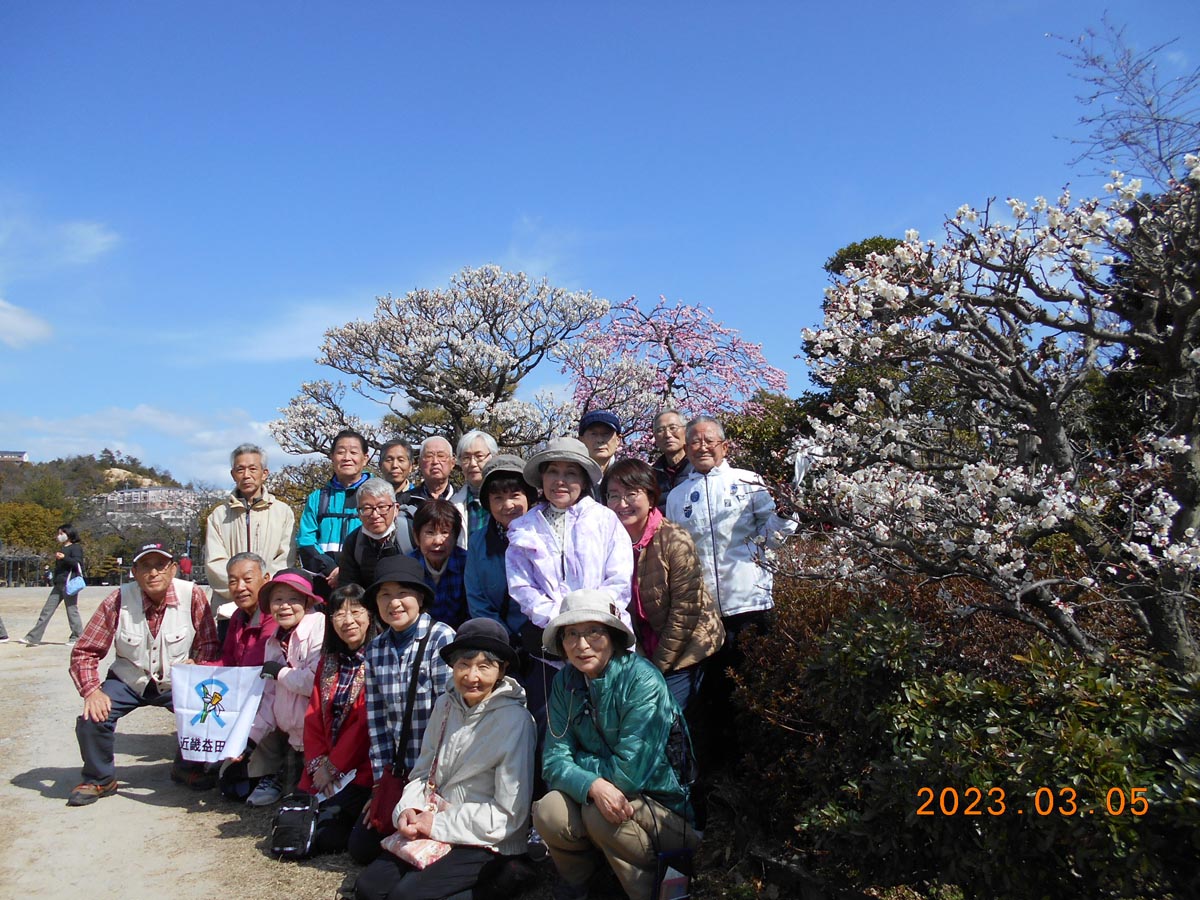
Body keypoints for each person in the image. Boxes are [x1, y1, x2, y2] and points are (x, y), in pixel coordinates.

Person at [353, 618, 537, 900]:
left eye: (484, 666)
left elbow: (509, 814)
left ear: (502, 670)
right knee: (368, 888)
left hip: (487, 838)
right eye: (464, 664)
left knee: (405, 897)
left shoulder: (517, 721)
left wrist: (436, 824)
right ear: (452, 666)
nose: (472, 676)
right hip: (436, 822)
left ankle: (506, 878)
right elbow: (422, 772)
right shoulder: (445, 705)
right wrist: (409, 809)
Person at [534, 589, 700, 900]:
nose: (582, 645)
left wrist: (581, 769)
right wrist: (593, 785)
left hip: (664, 811)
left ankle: (649, 891)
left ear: (612, 636)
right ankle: (588, 885)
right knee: (549, 810)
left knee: (599, 815)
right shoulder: (565, 682)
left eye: (593, 631)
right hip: (608, 798)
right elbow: (553, 761)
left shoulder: (642, 680)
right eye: (571, 634)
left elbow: (628, 776)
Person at [67, 542, 219, 806]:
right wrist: (91, 691)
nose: (153, 573)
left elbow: (209, 643)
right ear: (134, 572)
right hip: (129, 679)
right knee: (93, 717)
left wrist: (199, 665)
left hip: (177, 678)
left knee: (208, 711)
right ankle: (100, 778)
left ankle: (188, 766)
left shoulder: (192, 594)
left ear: (173, 569)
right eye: (145, 567)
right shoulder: (118, 599)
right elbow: (85, 651)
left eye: (160, 565)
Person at [505, 436, 633, 740]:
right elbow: (522, 586)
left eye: (571, 473)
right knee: (554, 731)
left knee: (612, 730)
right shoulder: (524, 527)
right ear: (542, 477)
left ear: (584, 480)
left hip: (603, 641)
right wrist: (558, 622)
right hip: (549, 646)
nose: (560, 481)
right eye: (553, 471)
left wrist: (588, 621)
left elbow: (618, 579)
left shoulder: (605, 520)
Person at [350, 556, 455, 865]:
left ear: (420, 597)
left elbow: (451, 718)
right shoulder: (376, 649)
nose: (394, 603)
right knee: (362, 848)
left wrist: (430, 788)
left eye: (402, 593)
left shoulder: (441, 638)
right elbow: (377, 721)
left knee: (411, 853)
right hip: (400, 773)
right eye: (384, 595)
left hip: (437, 775)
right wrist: (381, 786)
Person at [603, 458, 724, 713]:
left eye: (631, 494)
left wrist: (656, 668)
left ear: (650, 497)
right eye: (613, 495)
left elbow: (685, 612)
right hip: (642, 652)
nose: (622, 504)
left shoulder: (674, 539)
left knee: (664, 716)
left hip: (686, 649)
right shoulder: (608, 543)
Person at [298, 582, 380, 855]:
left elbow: (364, 725)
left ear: (370, 615)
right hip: (325, 765)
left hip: (361, 767)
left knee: (327, 836)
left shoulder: (378, 660)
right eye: (339, 613)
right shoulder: (329, 662)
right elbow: (313, 715)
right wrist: (318, 764)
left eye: (356, 611)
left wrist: (333, 768)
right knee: (299, 822)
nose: (348, 621)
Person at [242, 568, 327, 807]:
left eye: (293, 599)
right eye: (278, 599)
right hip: (294, 739)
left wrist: (280, 672)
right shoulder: (274, 640)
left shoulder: (319, 627)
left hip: (321, 738)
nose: (285, 606)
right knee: (291, 801)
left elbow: (315, 681)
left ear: (307, 602)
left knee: (313, 803)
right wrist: (250, 740)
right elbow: (270, 695)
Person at [213, 552, 277, 801]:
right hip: (243, 692)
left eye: (248, 580)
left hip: (268, 696)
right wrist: (198, 668)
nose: (240, 587)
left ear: (266, 579)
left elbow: (255, 662)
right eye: (233, 581)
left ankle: (273, 772)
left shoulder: (274, 614)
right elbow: (228, 661)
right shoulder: (238, 617)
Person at [204, 443, 295, 611]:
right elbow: (214, 563)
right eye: (240, 470)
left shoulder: (283, 512)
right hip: (228, 607)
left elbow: (285, 560)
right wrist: (241, 589)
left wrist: (263, 590)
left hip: (269, 605)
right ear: (233, 474)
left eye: (253, 469)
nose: (246, 475)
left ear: (264, 473)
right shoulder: (219, 516)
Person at [465, 455, 537, 656]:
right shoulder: (478, 542)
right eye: (498, 498)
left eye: (515, 495)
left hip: (543, 640)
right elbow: (477, 600)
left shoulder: (546, 535)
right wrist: (504, 638)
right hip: (499, 644)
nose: (507, 505)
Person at [298, 429, 372, 592]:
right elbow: (305, 540)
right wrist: (331, 569)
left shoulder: (377, 495)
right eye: (340, 452)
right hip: (324, 583)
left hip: (364, 583)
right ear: (332, 457)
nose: (347, 457)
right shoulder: (317, 498)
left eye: (353, 452)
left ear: (365, 458)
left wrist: (347, 572)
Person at [338, 477, 417, 591]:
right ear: (359, 513)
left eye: (382, 507)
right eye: (367, 508)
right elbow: (348, 587)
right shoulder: (353, 542)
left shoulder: (413, 532)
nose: (375, 515)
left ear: (396, 509)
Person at [410, 499, 469, 629]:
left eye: (445, 532)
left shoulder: (467, 564)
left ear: (456, 536)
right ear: (416, 536)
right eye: (430, 532)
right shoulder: (408, 567)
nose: (437, 541)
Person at [23, 523, 85, 646]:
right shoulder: (62, 548)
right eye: (59, 533)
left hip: (69, 584)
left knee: (71, 611)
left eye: (62, 533)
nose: (59, 536)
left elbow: (77, 564)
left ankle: (78, 637)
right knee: (47, 610)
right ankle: (33, 637)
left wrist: (64, 558)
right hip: (59, 584)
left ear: (69, 533)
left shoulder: (75, 548)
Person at [449, 429, 497, 546]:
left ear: (494, 457)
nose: (473, 464)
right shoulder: (453, 505)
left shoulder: (510, 500)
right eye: (466, 458)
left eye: (479, 456)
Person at [650, 409, 693, 509]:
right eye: (660, 430)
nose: (667, 435)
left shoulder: (699, 468)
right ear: (655, 437)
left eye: (673, 428)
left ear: (686, 431)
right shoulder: (651, 476)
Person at [578, 410, 623, 499]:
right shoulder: (573, 476)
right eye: (593, 434)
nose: (600, 440)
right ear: (581, 440)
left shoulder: (628, 475)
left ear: (618, 440)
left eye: (606, 434)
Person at [400, 437, 456, 505]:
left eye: (441, 456)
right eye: (429, 456)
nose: (435, 461)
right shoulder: (405, 500)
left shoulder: (462, 498)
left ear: (452, 463)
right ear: (420, 462)